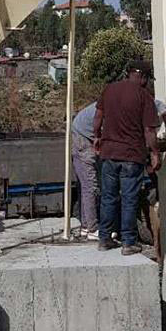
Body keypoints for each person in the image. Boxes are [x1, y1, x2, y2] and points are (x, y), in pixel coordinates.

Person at [93, 60, 161, 255]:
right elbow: (149, 131)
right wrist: (155, 152)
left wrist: (96, 137)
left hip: (109, 153)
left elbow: (98, 117)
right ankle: (128, 242)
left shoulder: (109, 89)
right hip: (131, 155)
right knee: (129, 199)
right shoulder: (144, 96)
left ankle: (104, 238)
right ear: (143, 77)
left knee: (108, 197)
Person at [71, 101, 100, 240]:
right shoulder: (112, 106)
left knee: (85, 186)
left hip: (80, 135)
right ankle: (93, 229)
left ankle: (86, 226)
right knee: (90, 186)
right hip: (84, 140)